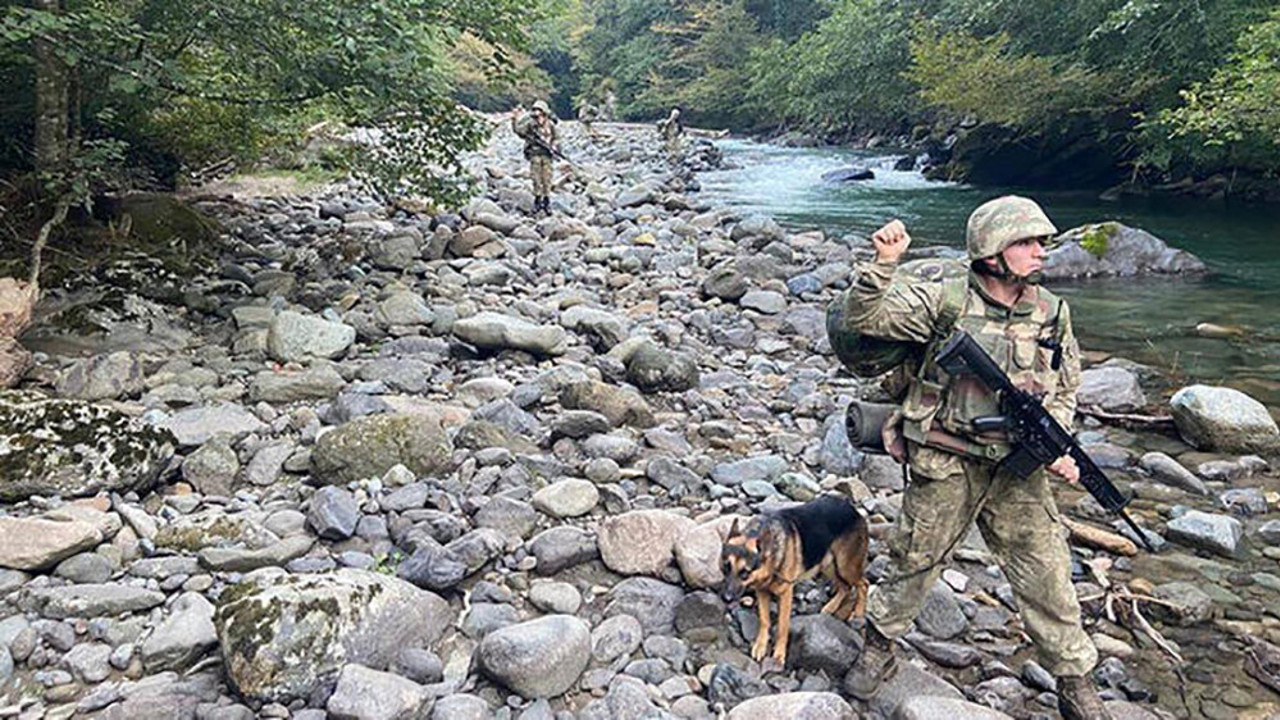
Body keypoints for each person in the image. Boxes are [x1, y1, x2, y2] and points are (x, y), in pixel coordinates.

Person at [841, 196, 1111, 720]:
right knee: (913, 561)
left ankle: (1075, 679)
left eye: (1041, 242)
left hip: (1016, 470)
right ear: (992, 251)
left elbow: (1065, 386)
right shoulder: (944, 301)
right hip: (945, 458)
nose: (1040, 253)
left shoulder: (1052, 311)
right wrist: (883, 266)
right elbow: (866, 320)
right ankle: (879, 648)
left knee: (1047, 574)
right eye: (1026, 243)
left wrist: (1054, 444)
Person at [511, 100, 558, 217]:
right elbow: (519, 131)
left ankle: (546, 202)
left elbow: (556, 137)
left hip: (547, 155)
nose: (537, 114)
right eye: (536, 111)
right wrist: (514, 119)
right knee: (536, 178)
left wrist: (554, 146)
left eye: (540, 111)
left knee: (547, 179)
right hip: (534, 154)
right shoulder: (530, 124)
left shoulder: (550, 124)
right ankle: (537, 201)